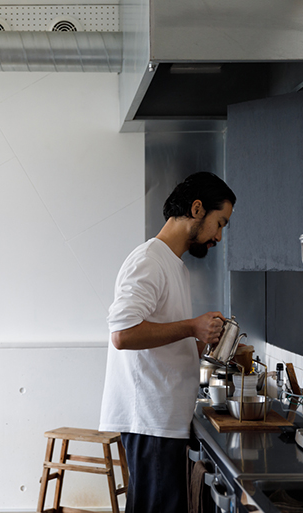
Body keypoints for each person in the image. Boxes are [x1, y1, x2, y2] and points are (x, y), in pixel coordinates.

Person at [98, 171, 236, 513]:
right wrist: (192, 327)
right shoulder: (148, 260)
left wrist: (203, 341)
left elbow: (161, 336)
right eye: (220, 223)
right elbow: (123, 334)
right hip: (149, 421)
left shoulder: (175, 266)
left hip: (163, 420)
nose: (219, 236)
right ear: (198, 208)